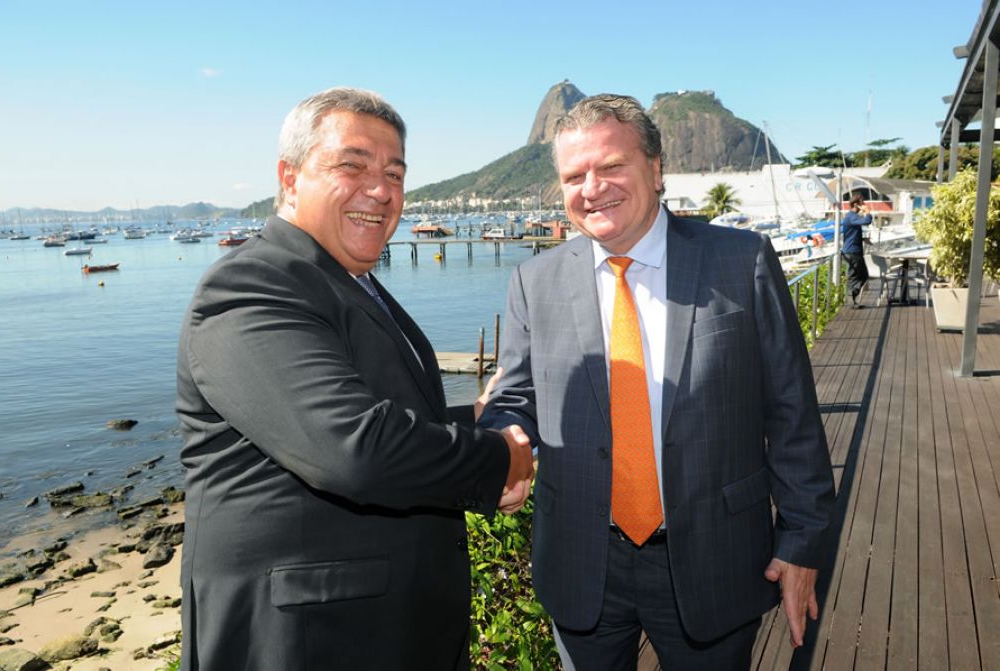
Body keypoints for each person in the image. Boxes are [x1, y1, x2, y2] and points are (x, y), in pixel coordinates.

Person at [176, 87, 533, 671]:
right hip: (309, 641)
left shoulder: (347, 280)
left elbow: (368, 412)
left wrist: (472, 419)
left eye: (395, 174)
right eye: (352, 165)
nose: (381, 190)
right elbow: (353, 449)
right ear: (289, 178)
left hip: (389, 630)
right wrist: (497, 460)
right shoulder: (251, 287)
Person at [478, 94, 835, 669]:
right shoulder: (534, 280)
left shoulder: (741, 261)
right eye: (574, 176)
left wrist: (802, 543)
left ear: (655, 167)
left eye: (611, 166)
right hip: (581, 560)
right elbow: (517, 394)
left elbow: (792, 412)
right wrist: (504, 440)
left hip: (716, 557)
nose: (592, 188)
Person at [841, 194, 873, 307]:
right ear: (856, 205)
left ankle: (853, 299)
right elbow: (867, 221)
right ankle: (851, 301)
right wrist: (868, 212)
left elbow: (851, 233)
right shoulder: (851, 216)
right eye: (862, 203)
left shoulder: (853, 217)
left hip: (855, 251)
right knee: (854, 276)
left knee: (863, 275)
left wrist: (863, 239)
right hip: (852, 252)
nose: (864, 204)